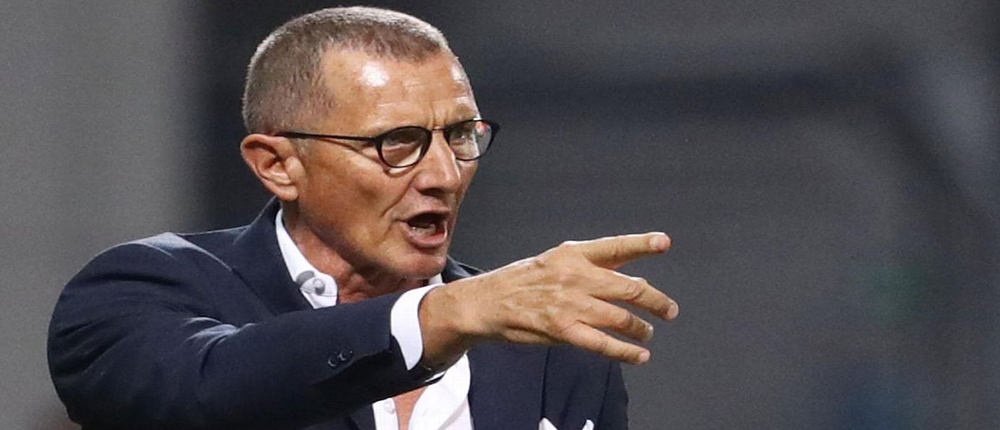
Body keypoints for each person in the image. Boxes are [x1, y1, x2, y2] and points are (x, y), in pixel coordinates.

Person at [47, 6, 678, 430]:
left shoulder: (549, 353)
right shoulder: (145, 290)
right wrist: (443, 315)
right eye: (396, 142)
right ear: (278, 165)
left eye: (461, 134)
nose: (444, 174)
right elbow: (208, 388)